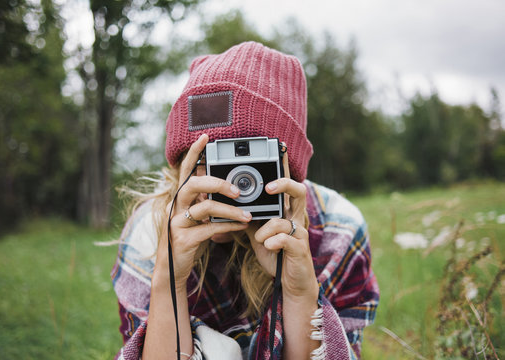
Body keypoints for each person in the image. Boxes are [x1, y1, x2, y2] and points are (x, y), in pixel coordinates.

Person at [111, 41, 379, 360]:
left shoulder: (338, 233)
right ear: (179, 162)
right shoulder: (149, 229)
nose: (224, 185)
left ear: (286, 169)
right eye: (204, 160)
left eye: (244, 167)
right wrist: (168, 280)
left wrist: (300, 293)